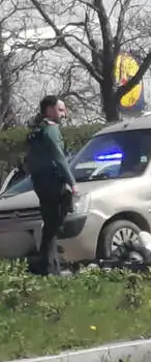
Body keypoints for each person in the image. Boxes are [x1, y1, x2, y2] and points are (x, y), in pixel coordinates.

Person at [24, 96, 76, 275]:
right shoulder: (51, 130)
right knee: (54, 224)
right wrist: (71, 182)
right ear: (49, 110)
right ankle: (49, 266)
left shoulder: (37, 130)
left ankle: (50, 264)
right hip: (54, 182)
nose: (64, 114)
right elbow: (59, 158)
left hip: (40, 182)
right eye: (61, 110)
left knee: (50, 224)